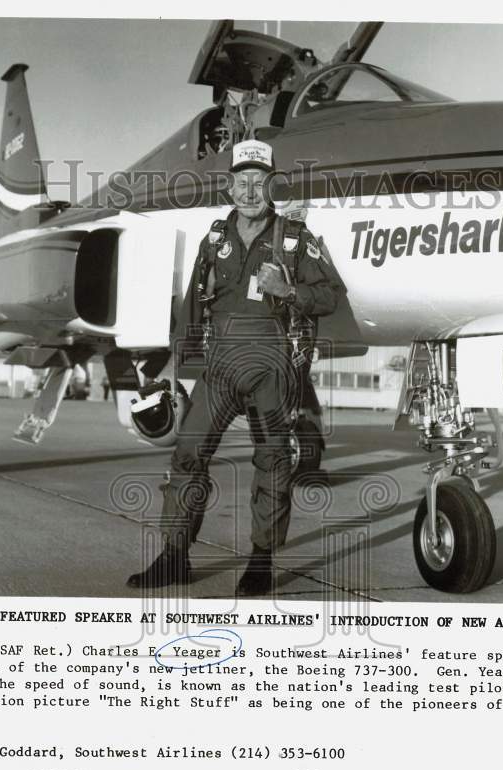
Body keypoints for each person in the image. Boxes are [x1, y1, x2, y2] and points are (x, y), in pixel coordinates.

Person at [127, 139, 342, 595]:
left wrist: (287, 292)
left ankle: (261, 559)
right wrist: (176, 371)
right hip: (220, 366)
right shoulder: (215, 239)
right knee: (188, 452)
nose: (249, 191)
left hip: (271, 363)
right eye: (241, 181)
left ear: (271, 187)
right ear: (229, 186)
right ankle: (174, 556)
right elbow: (192, 308)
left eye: (258, 182)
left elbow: (330, 295)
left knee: (273, 460)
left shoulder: (295, 239)